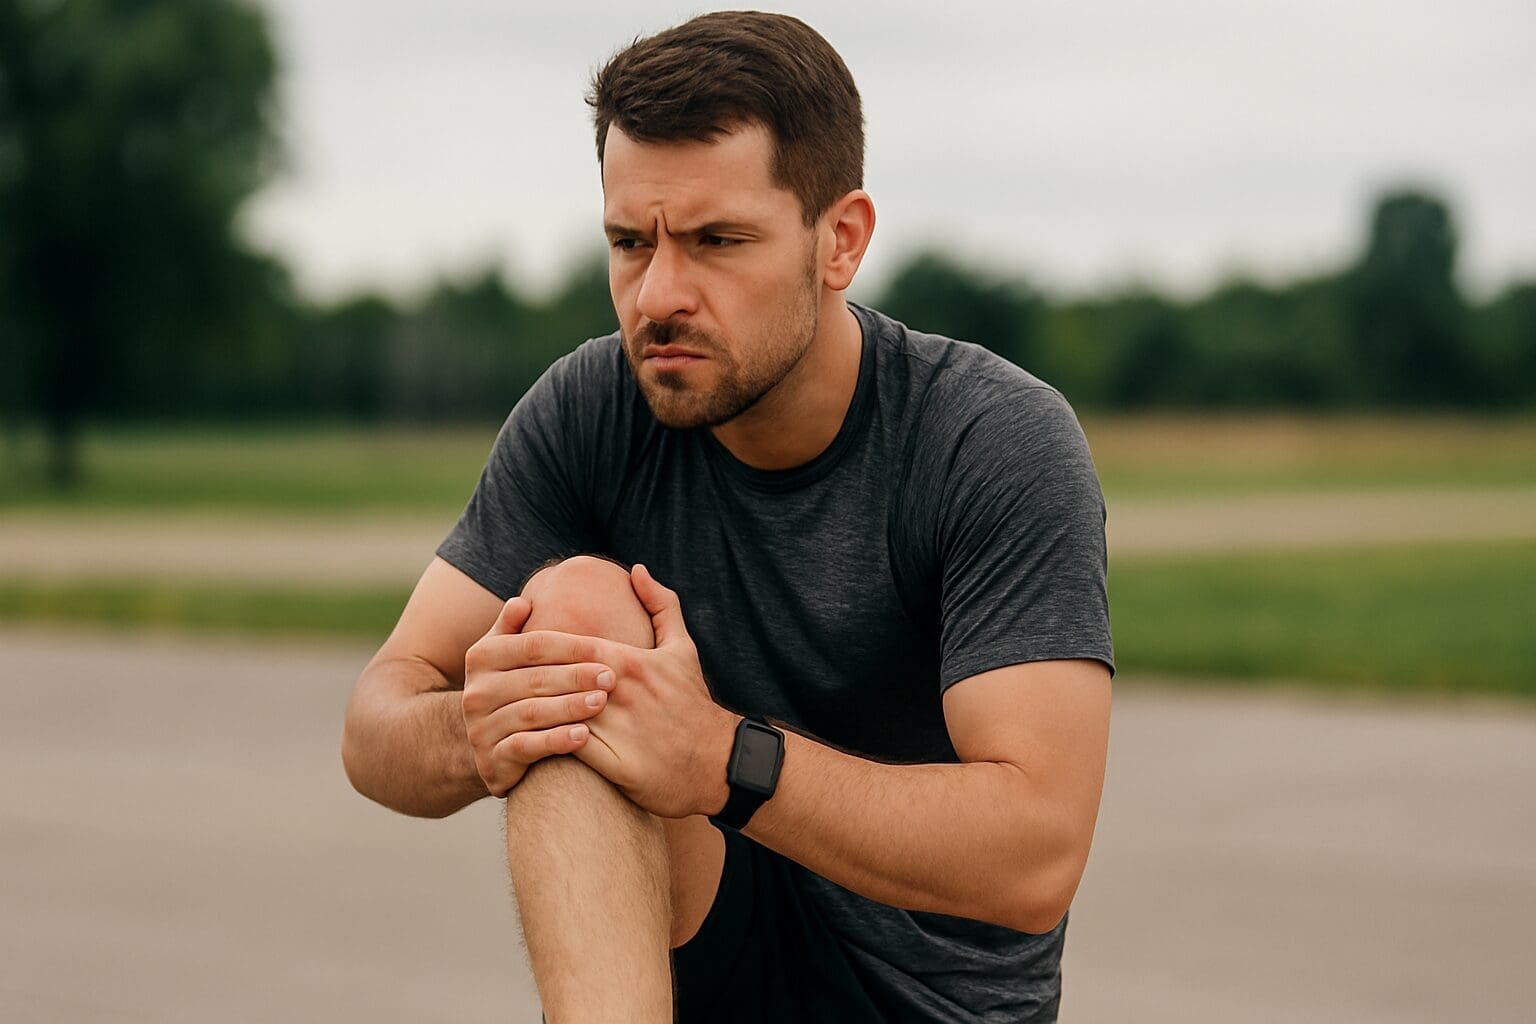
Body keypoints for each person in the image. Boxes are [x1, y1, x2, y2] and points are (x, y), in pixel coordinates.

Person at [341, 11, 1113, 1023]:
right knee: (574, 620)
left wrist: (718, 756)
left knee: (586, 658)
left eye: (716, 241)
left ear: (839, 242)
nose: (659, 294)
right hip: (707, 961)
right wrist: (480, 728)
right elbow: (377, 723)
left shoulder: (989, 437)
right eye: (630, 242)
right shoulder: (591, 408)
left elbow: (1036, 854)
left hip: (930, 1004)